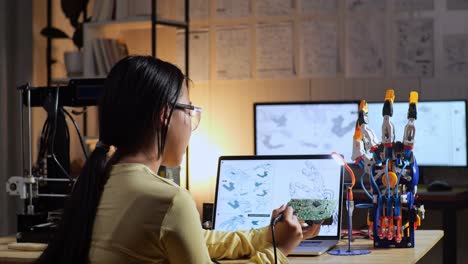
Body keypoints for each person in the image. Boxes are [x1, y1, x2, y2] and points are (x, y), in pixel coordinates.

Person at [35, 56, 321, 264]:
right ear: (165, 114)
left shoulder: (103, 180)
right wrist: (278, 253)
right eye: (189, 109)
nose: (191, 122)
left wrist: (268, 236)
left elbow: (198, 239)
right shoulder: (169, 200)